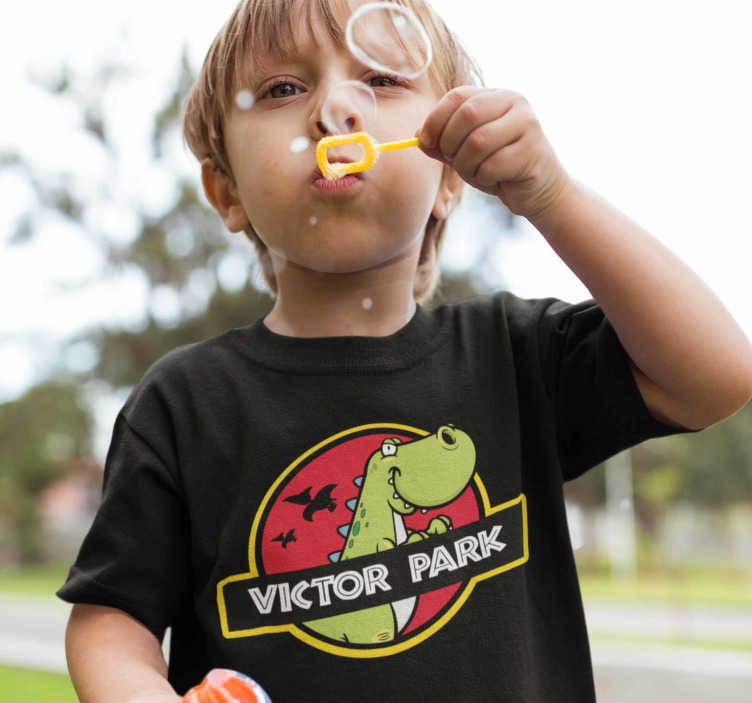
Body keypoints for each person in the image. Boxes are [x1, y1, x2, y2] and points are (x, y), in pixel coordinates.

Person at [57, 0, 752, 701]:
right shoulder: (184, 404)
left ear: (450, 176)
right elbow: (110, 623)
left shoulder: (513, 359)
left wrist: (550, 195)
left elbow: (715, 376)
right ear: (227, 190)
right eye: (283, 89)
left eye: (383, 81)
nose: (335, 109)